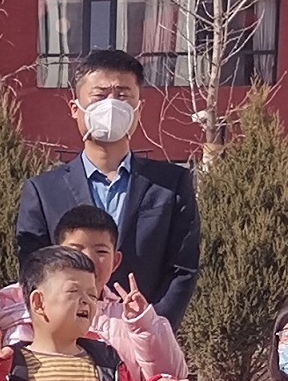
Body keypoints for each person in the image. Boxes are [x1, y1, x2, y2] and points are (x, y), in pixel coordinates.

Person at [15, 48, 200, 324]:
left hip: (144, 333)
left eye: (123, 96)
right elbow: (34, 272)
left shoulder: (171, 185)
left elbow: (183, 268)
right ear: (75, 109)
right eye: (100, 96)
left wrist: (150, 328)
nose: (111, 105)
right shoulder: (43, 192)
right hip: (68, 335)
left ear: (138, 109)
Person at [0, 204, 186, 381]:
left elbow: (170, 378)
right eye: (76, 249)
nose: (89, 259)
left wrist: (143, 324)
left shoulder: (130, 321)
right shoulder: (15, 309)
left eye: (101, 252)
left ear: (116, 261)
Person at [0, 247, 124, 381]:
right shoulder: (11, 364)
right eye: (73, 291)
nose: (86, 301)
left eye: (92, 295)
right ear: (38, 302)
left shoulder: (108, 363)